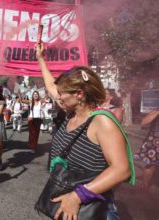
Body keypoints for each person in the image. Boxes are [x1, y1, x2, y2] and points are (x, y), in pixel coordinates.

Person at [36, 43, 133, 220]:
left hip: (90, 208)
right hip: (67, 203)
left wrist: (77, 196)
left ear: (79, 94)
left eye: (61, 93)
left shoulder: (100, 121)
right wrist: (40, 59)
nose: (57, 97)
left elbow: (121, 169)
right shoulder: (70, 112)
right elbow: (51, 86)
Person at [134, 110, 159, 193]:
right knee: (151, 165)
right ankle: (144, 186)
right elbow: (143, 122)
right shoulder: (156, 111)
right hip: (155, 141)